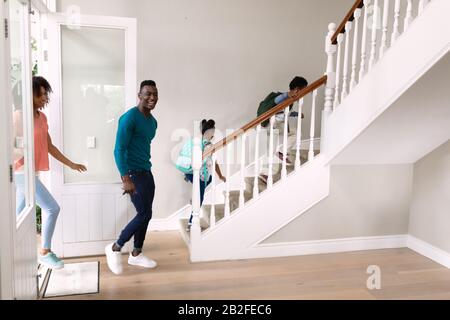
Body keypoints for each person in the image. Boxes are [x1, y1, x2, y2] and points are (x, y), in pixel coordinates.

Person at [14, 76, 87, 269]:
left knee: (18, 215)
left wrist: (70, 164)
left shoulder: (41, 117)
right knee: (52, 208)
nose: (46, 96)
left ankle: (12, 255)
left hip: (32, 172)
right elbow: (10, 145)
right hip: (21, 172)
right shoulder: (18, 116)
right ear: (29, 94)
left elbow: (49, 145)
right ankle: (45, 252)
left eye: (46, 93)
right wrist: (19, 159)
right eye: (42, 93)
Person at [107, 80, 159, 275]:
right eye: (147, 94)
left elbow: (142, 145)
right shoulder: (129, 118)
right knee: (144, 214)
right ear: (139, 95)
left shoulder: (153, 122)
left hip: (147, 172)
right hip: (133, 174)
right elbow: (118, 150)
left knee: (147, 213)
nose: (151, 97)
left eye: (154, 94)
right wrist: (125, 178)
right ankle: (116, 247)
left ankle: (136, 254)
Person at [176, 119, 226, 231]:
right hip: (199, 174)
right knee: (200, 198)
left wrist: (220, 175)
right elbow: (213, 162)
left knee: (209, 179)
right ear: (210, 131)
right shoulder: (208, 145)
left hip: (189, 171)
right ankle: (191, 223)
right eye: (213, 131)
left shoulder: (196, 141)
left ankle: (195, 195)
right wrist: (221, 175)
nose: (213, 134)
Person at [257, 76, 308, 184]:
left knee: (295, 133)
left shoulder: (291, 101)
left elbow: (285, 113)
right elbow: (276, 101)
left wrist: (297, 114)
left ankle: (281, 153)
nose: (303, 94)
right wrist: (288, 94)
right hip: (272, 123)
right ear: (297, 89)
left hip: (278, 123)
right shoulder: (284, 97)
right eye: (303, 90)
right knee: (272, 149)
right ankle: (265, 172)